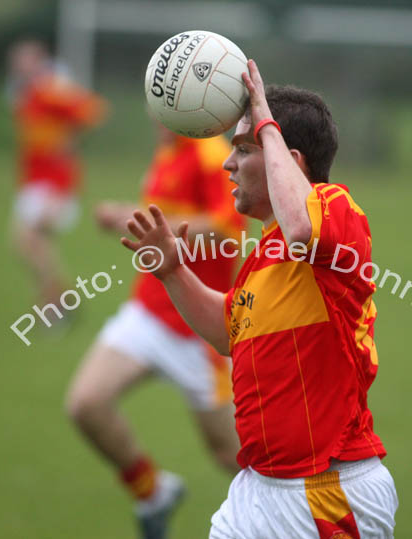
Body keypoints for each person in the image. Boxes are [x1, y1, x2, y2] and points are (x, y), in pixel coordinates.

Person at [120, 59, 399, 538]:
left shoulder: (336, 208)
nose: (227, 164)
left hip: (325, 492)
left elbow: (301, 227)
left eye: (243, 149)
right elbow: (229, 333)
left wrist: (264, 120)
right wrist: (172, 271)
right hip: (258, 487)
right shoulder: (263, 253)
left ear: (288, 159)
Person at [66, 123, 244, 539]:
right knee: (87, 403)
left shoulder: (209, 154)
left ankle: (308, 515)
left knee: (234, 455)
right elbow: (163, 215)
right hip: (148, 311)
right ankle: (153, 493)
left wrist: (149, 227)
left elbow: (226, 228)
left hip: (201, 330)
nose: (154, 114)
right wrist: (127, 215)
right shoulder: (168, 151)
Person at [7, 39, 107, 309]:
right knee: (33, 245)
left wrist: (72, 136)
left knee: (27, 239)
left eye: (25, 59)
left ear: (38, 61)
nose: (19, 65)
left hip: (55, 184)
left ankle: (57, 300)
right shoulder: (25, 94)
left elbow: (93, 110)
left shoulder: (50, 89)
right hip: (33, 182)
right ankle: (54, 300)